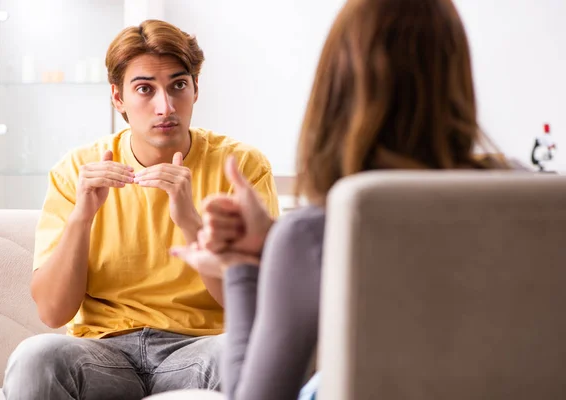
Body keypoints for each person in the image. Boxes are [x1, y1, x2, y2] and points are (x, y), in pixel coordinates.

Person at [171, 0, 510, 399]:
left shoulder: (313, 235)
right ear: (457, 74)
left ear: (335, 87)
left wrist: (243, 267)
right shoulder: (527, 198)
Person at [2, 19, 279, 400]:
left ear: (196, 89)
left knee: (247, 356)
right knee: (35, 357)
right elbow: (52, 313)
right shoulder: (76, 171)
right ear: (118, 99)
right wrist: (83, 216)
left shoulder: (242, 167)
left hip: (200, 350)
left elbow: (257, 306)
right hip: (102, 353)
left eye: (178, 86)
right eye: (144, 89)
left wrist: (190, 222)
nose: (165, 106)